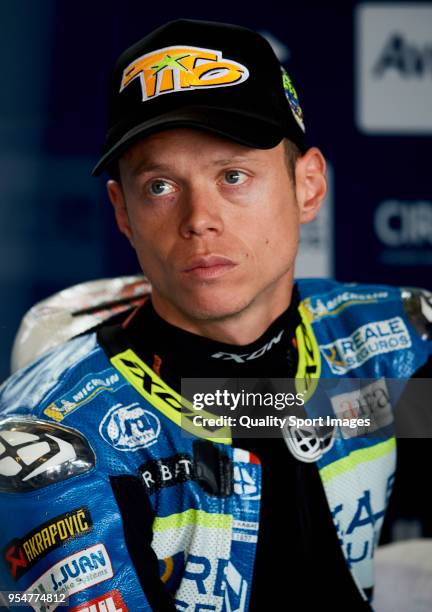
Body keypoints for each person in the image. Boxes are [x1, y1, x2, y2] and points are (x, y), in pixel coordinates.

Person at [0, 18, 431, 612]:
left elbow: (257, 403)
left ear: (307, 187)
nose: (198, 218)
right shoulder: (55, 445)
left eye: (233, 176)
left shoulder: (393, 342)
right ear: (122, 212)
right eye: (159, 187)